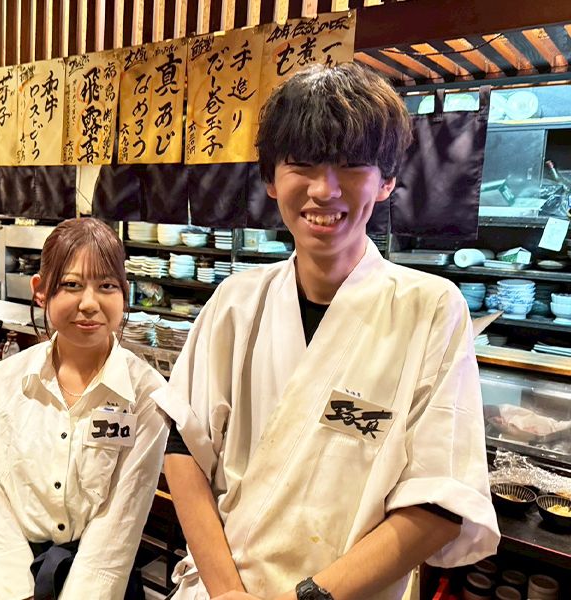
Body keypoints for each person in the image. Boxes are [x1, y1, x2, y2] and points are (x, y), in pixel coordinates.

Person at [156, 63, 500, 600]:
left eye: (352, 165)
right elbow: (183, 444)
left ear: (386, 180)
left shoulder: (431, 309)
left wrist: (308, 597)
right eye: (303, 164)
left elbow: (439, 500)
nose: (324, 189)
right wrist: (225, 592)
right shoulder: (236, 301)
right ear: (271, 179)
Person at [0, 218, 169, 600]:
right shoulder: (1, 383)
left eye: (107, 286)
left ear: (124, 293)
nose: (89, 304)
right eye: (72, 285)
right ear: (41, 291)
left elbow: (123, 515)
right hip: (16, 580)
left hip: (104, 583)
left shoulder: (146, 394)